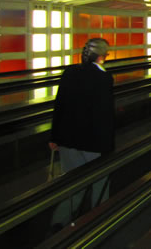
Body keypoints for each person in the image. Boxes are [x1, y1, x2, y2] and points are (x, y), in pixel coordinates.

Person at [49, 38, 114, 225]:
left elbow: (59, 105)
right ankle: (99, 222)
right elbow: (105, 114)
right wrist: (108, 147)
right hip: (93, 143)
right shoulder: (104, 78)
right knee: (100, 182)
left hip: (67, 141)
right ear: (101, 57)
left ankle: (59, 225)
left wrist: (54, 137)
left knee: (73, 186)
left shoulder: (69, 72)